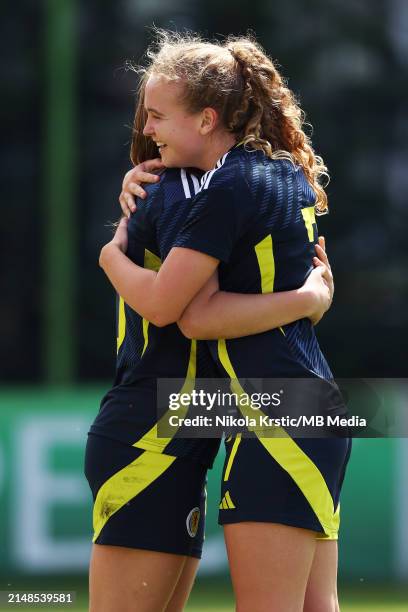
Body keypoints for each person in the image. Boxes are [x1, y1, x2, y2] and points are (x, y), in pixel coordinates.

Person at [100, 31, 351, 612]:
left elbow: (183, 314)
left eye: (158, 117)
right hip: (304, 404)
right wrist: (310, 299)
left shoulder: (229, 186)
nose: (148, 132)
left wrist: (110, 255)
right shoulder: (278, 171)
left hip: (276, 410)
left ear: (208, 118)